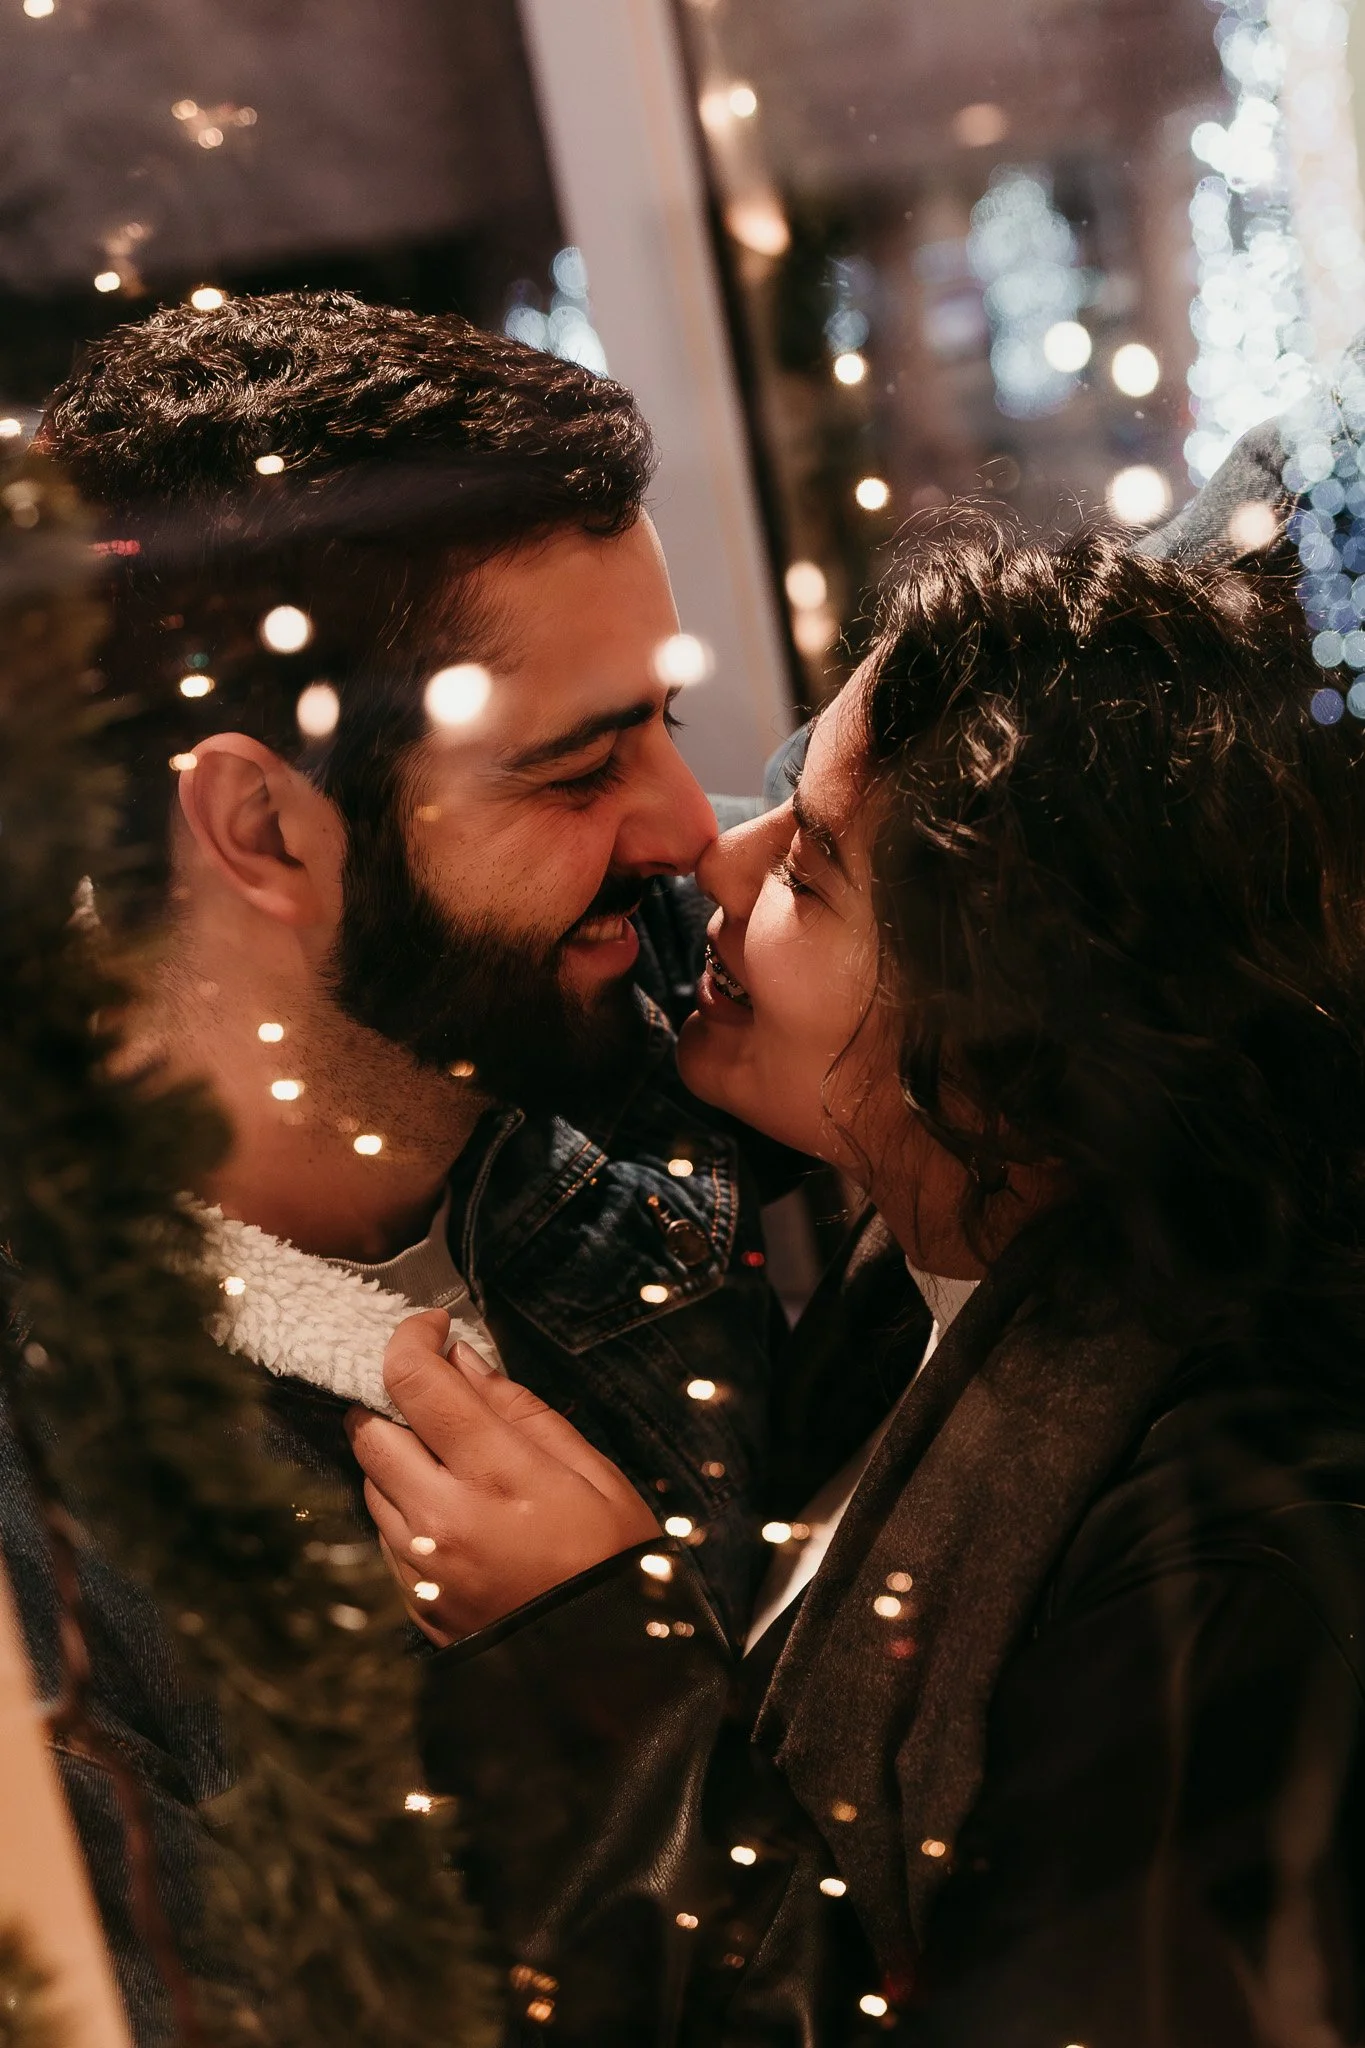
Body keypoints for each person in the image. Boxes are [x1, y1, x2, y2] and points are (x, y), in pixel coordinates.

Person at [355, 524, 1365, 2044]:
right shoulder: (933, 1276)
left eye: (815, 869)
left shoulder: (1248, 1564)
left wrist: (600, 1673)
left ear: (1026, 1038)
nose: (719, 852)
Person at [23, 289, 781, 2035]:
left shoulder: (745, 1041)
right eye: (581, 766)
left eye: (663, 721)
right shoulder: (64, 1498)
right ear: (262, 830)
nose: (690, 834)